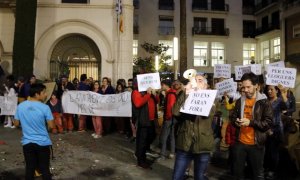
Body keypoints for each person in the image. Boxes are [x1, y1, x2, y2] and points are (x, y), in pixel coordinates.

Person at [172, 72, 216, 180]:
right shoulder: (185, 94)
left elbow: (207, 114)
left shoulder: (211, 98)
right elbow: (175, 112)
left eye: (200, 81)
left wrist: (197, 95)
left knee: (199, 177)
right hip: (185, 144)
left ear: (205, 86)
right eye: (194, 80)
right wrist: (186, 93)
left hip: (203, 145)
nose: (196, 83)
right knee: (176, 176)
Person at [231, 72, 273, 180]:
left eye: (248, 87)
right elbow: (233, 116)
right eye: (243, 87)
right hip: (240, 142)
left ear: (256, 86)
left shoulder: (265, 102)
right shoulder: (240, 101)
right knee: (237, 173)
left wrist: (250, 122)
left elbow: (268, 123)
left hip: (257, 144)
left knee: (258, 174)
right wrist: (236, 122)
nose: (245, 90)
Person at [14, 83, 54, 180]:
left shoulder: (20, 106)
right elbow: (52, 126)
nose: (45, 95)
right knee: (45, 169)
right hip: (43, 143)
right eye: (44, 93)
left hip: (27, 143)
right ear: (37, 94)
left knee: (29, 169)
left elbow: (16, 124)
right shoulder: (45, 107)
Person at [264, 85, 290, 179]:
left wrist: (283, 94)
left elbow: (287, 106)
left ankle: (273, 170)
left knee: (274, 151)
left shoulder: (279, 100)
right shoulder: (266, 100)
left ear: (276, 90)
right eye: (268, 89)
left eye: (272, 89)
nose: (269, 91)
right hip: (266, 129)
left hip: (276, 130)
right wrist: (266, 129)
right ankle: (267, 168)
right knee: (267, 151)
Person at [132, 79, 157, 169]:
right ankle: (141, 161)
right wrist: (148, 94)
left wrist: (154, 94)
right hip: (143, 120)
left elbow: (156, 101)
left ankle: (141, 154)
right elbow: (138, 103)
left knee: (152, 136)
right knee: (141, 141)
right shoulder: (136, 92)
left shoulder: (146, 92)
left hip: (150, 120)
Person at [158, 79, 177, 161]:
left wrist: (167, 118)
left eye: (162, 85)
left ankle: (162, 155)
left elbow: (170, 107)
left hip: (169, 118)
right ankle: (172, 153)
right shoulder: (171, 93)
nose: (161, 86)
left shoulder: (170, 94)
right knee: (172, 136)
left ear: (165, 85)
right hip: (172, 118)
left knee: (164, 137)